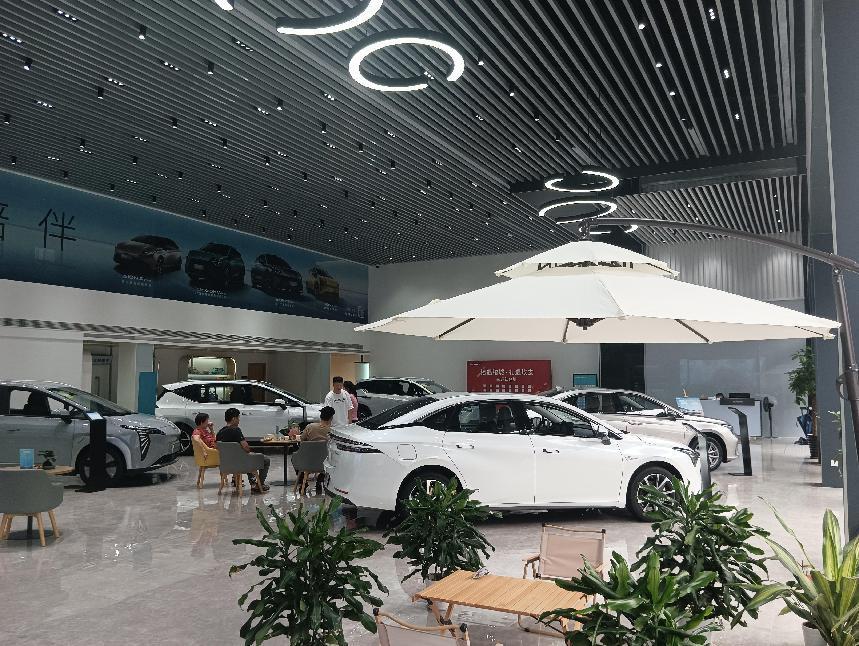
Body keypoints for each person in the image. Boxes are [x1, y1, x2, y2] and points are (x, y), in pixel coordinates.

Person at [215, 407, 271, 493]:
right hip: (241, 463)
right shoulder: (236, 430)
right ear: (234, 419)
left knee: (247, 457)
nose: (239, 420)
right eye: (238, 418)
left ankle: (253, 483)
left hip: (226, 464)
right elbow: (246, 448)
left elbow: (216, 447)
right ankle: (259, 484)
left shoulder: (220, 433)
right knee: (265, 459)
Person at [289, 406, 335, 494]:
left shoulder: (310, 427)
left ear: (320, 416)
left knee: (295, 458)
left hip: (308, 461)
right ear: (331, 418)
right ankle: (320, 479)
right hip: (325, 463)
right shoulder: (332, 431)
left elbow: (301, 439)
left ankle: (304, 482)